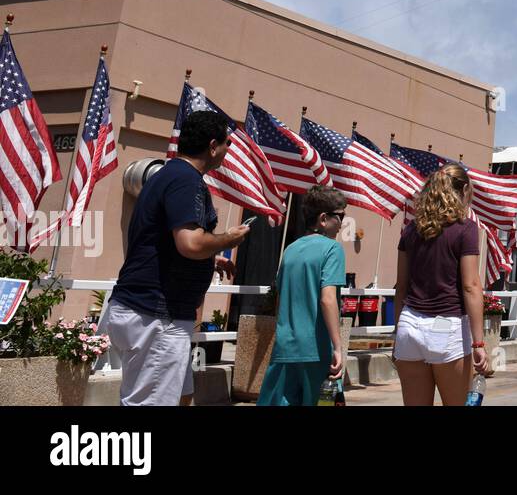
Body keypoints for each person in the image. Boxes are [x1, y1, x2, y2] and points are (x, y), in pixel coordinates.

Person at [100, 110, 251, 406]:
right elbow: (190, 243)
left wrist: (211, 259)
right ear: (212, 145)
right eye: (226, 144)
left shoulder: (168, 175)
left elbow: (169, 242)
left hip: (152, 311)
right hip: (157, 314)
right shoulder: (186, 180)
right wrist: (228, 240)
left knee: (182, 394)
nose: (227, 151)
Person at [393, 163, 489, 406]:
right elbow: (471, 286)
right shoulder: (465, 229)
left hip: (409, 324)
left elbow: (400, 287)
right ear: (464, 190)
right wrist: (479, 343)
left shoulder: (411, 230)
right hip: (445, 325)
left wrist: (398, 334)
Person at [258, 185, 347, 405]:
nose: (342, 222)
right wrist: (338, 346)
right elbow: (327, 298)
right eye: (340, 216)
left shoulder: (290, 250)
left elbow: (280, 300)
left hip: (285, 346)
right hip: (316, 348)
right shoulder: (332, 249)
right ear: (324, 219)